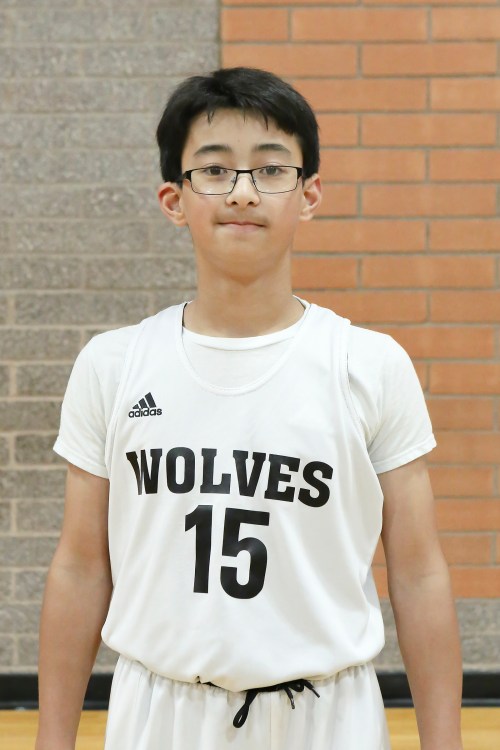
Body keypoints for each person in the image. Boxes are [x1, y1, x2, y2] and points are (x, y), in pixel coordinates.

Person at [35, 67, 463, 750]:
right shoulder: (113, 366)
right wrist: (50, 741)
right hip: (159, 711)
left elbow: (418, 573)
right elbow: (82, 568)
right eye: (214, 170)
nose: (242, 191)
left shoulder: (370, 365)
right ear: (174, 199)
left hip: (329, 714)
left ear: (308, 194)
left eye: (270, 169)